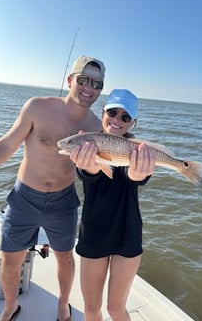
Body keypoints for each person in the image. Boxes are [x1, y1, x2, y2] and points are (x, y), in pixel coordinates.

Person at [0, 55, 105, 321]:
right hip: (24, 197)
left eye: (97, 83)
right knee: (10, 259)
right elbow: (7, 146)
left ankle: (63, 304)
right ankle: (10, 306)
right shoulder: (37, 107)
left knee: (65, 257)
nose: (89, 88)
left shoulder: (96, 127)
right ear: (70, 80)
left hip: (64, 201)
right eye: (84, 80)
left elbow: (102, 170)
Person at [69, 89, 156, 321]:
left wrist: (139, 173)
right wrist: (89, 163)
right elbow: (90, 172)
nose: (117, 120)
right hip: (94, 233)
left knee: (116, 309)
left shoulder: (137, 151)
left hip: (127, 234)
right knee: (91, 308)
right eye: (113, 112)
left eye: (125, 117)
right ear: (103, 112)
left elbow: (135, 176)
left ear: (132, 123)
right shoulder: (87, 143)